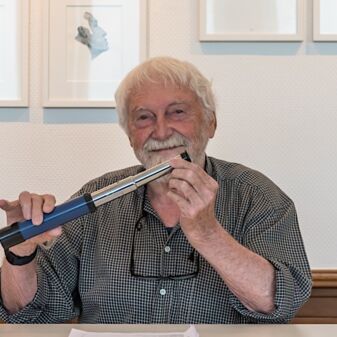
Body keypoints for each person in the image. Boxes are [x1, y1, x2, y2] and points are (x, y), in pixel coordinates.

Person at [0, 56, 311, 323]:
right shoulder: (97, 196)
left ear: (210, 124)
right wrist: (20, 252)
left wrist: (208, 234)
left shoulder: (257, 196)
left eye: (177, 112)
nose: (161, 131)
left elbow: (280, 302)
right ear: (130, 136)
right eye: (144, 117)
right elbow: (26, 311)